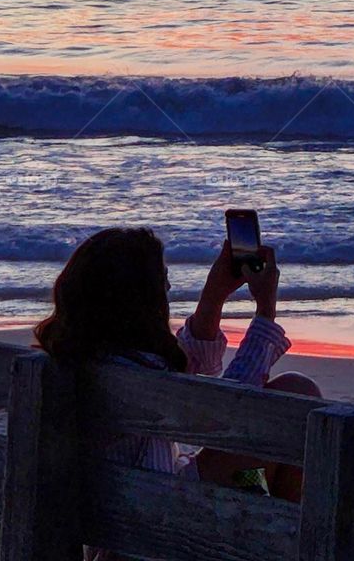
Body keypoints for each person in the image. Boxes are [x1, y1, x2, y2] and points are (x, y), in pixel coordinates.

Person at [35, 227, 317, 560]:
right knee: (295, 399)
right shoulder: (143, 376)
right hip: (157, 525)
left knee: (290, 398)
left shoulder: (86, 359)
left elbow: (184, 367)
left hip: (117, 524)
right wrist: (265, 310)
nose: (168, 290)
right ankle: (297, 546)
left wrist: (214, 296)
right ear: (142, 300)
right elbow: (235, 416)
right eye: (162, 283)